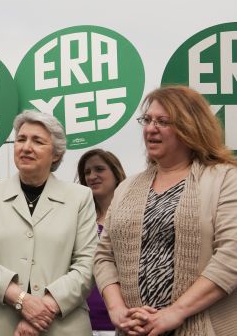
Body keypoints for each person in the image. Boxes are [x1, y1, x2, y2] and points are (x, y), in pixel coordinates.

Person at [94, 86, 237, 335]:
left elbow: (231, 255)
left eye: (162, 121)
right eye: (147, 120)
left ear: (190, 127)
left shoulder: (225, 178)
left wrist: (175, 312)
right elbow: (104, 256)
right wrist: (117, 310)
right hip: (134, 330)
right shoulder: (127, 187)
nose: (150, 129)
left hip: (202, 327)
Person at [0, 110, 97, 335]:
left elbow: (87, 265)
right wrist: (22, 301)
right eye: (21, 139)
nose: (26, 147)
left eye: (37, 141)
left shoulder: (80, 198)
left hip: (61, 326)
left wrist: (43, 310)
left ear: (55, 154)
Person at [76, 149, 125, 336]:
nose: (92, 176)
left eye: (99, 169)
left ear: (116, 173)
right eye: (87, 172)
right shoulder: (79, 220)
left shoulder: (134, 217)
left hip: (121, 321)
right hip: (81, 322)